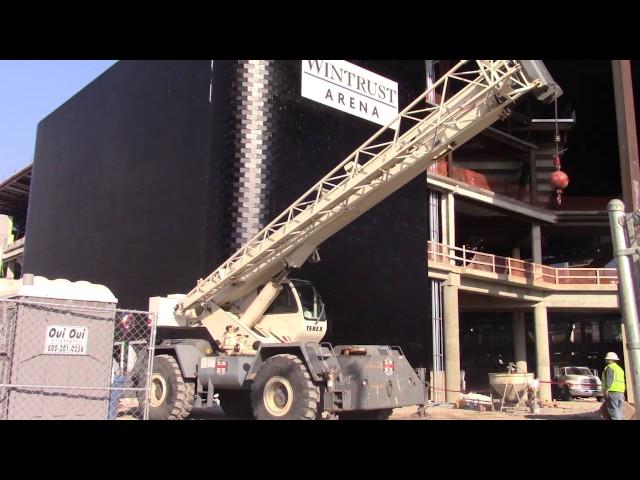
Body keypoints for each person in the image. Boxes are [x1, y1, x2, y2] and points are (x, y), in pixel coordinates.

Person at [601, 352, 626, 420]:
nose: (606, 360)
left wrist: (606, 390)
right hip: (620, 392)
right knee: (619, 410)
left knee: (613, 410)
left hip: (612, 391)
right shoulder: (619, 369)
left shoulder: (609, 368)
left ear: (610, 360)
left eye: (607, 359)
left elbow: (609, 380)